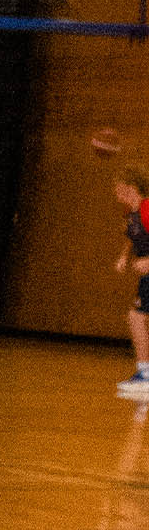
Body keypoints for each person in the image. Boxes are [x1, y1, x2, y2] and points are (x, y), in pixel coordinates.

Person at [113, 169, 149, 397]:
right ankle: (144, 373)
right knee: (138, 317)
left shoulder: (147, 209)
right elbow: (132, 235)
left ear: (130, 187)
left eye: (118, 187)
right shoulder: (131, 212)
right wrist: (124, 255)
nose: (115, 192)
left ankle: (145, 375)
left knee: (136, 317)